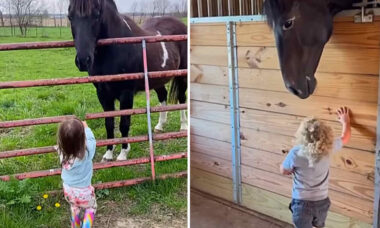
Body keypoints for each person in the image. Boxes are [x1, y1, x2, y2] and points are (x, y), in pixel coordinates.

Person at [280, 107, 351, 228]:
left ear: (302, 135)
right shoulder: (329, 147)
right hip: (322, 201)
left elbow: (283, 170)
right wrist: (346, 122)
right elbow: (345, 137)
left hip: (301, 202)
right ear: (326, 134)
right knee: (319, 226)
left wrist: (290, 170)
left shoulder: (296, 152)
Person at [57, 118, 97, 228]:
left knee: (74, 208)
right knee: (90, 208)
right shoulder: (87, 152)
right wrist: (86, 128)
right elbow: (92, 140)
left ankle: (75, 226)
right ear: (82, 138)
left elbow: (66, 140)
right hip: (84, 191)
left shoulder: (61, 151)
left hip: (68, 189)